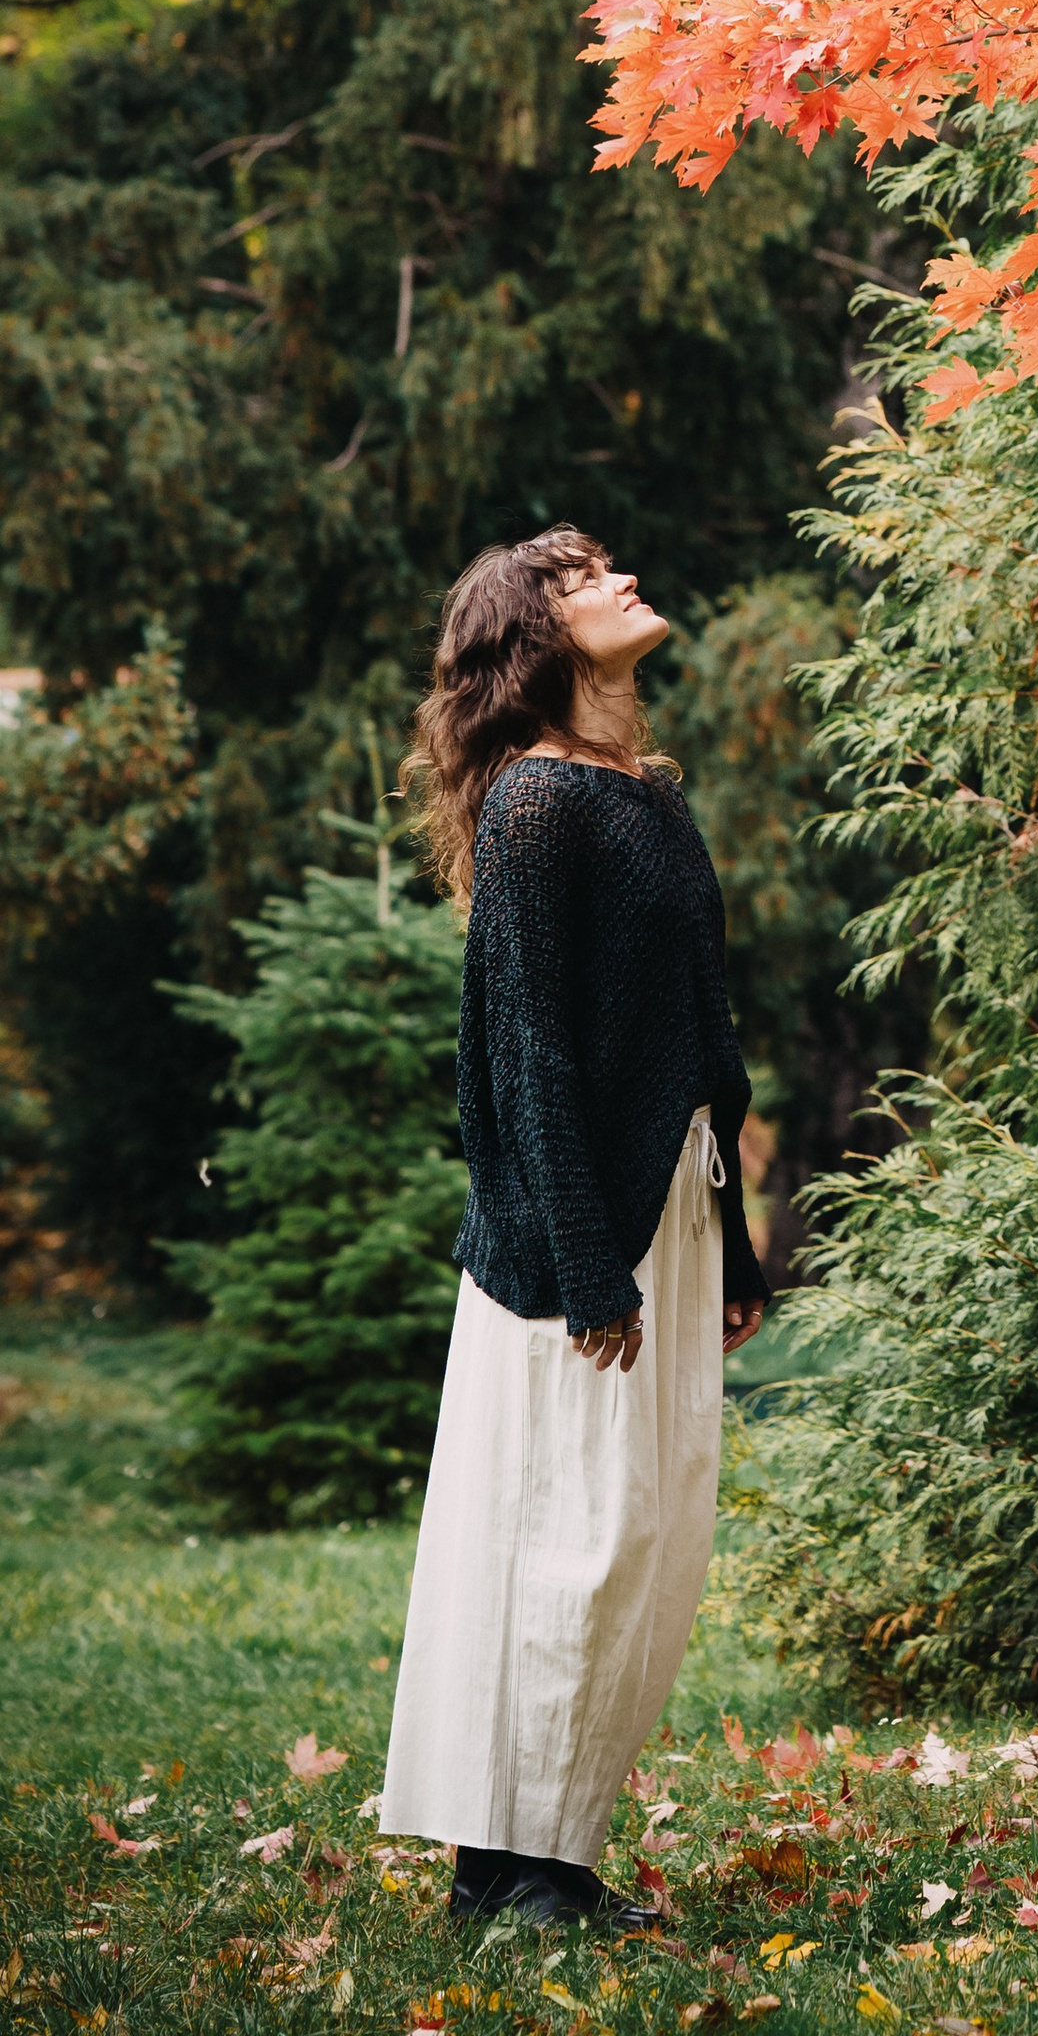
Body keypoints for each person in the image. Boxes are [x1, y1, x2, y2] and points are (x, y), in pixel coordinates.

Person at [380, 527, 768, 1931]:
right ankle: (507, 1870)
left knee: (643, 1537)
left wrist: (737, 1238)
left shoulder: (645, 795)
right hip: (570, 1235)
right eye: (581, 575)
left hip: (670, 1205)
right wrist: (589, 1260)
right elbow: (524, 1051)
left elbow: (703, 1034)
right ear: (533, 634)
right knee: (565, 1537)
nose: (619, 580)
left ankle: (556, 1850)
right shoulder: (540, 804)